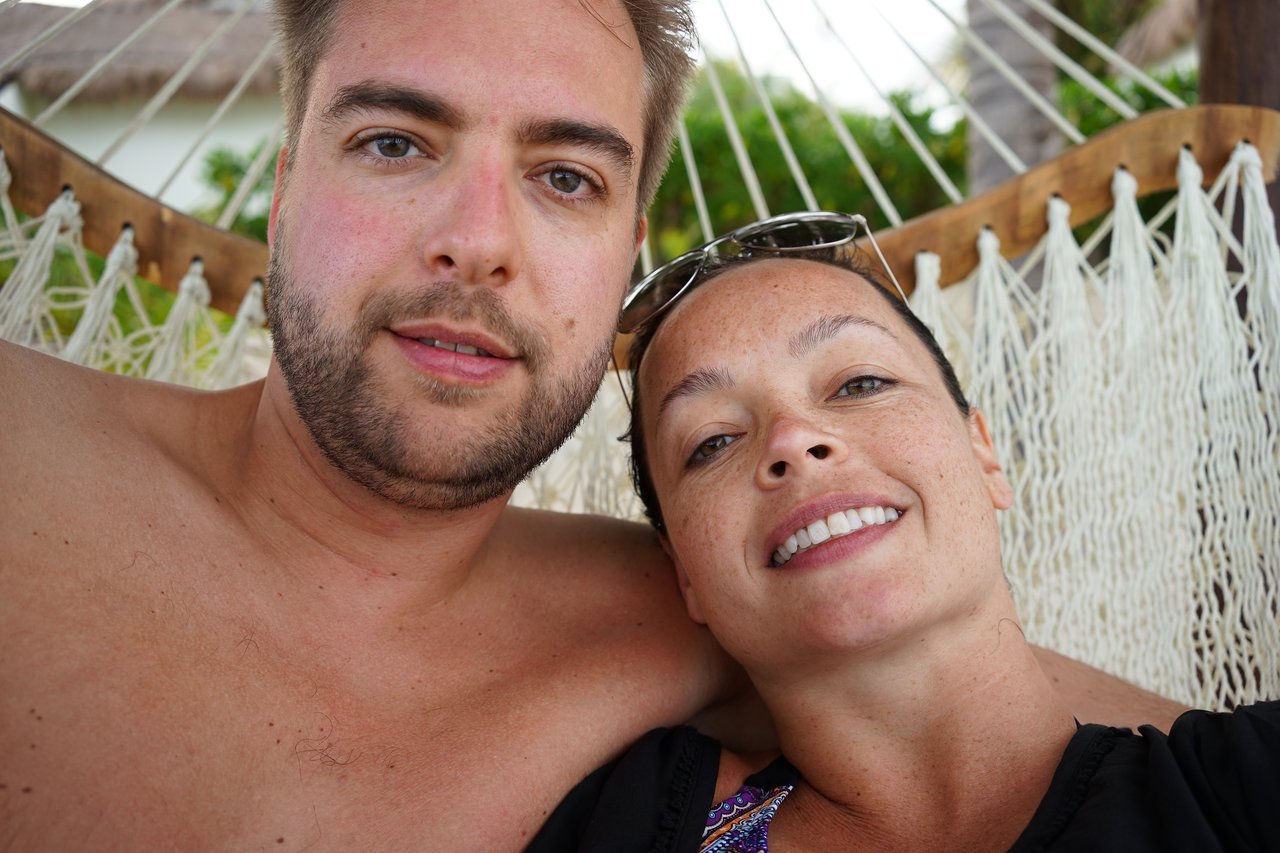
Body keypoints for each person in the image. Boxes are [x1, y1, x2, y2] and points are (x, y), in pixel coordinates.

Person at [0, 3, 1181, 850]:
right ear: (280, 186)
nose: (480, 239)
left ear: (625, 252)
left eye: (565, 176)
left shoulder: (684, 609)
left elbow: (1010, 708)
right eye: (396, 142)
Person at [532, 221, 1280, 852]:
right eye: (713, 441)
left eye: (859, 383)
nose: (793, 439)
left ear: (983, 453)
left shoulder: (1244, 788)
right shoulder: (616, 821)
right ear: (684, 573)